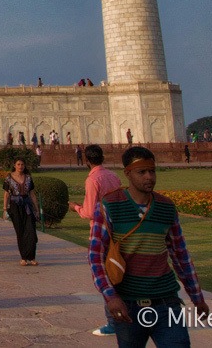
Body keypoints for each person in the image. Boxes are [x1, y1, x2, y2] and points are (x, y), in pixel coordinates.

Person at [89, 146, 209, 345]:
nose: (149, 177)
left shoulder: (166, 207)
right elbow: (95, 256)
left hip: (166, 302)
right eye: (141, 172)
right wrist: (110, 296)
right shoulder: (109, 205)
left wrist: (197, 297)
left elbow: (181, 256)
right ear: (128, 173)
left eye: (152, 171)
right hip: (128, 304)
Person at [69, 144, 123, 336]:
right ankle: (127, 317)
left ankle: (113, 322)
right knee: (120, 274)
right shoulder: (113, 176)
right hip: (119, 230)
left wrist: (75, 207)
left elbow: (90, 212)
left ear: (87, 161)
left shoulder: (93, 180)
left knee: (106, 276)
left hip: (101, 233)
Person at [2, 158, 40, 265]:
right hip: (15, 207)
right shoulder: (9, 178)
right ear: (14, 165)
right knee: (20, 232)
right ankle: (24, 257)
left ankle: (32, 257)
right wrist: (5, 209)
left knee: (31, 231)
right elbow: (6, 194)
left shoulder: (28, 178)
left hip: (27, 206)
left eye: (22, 164)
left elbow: (32, 194)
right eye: (18, 164)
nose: (20, 166)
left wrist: (36, 209)